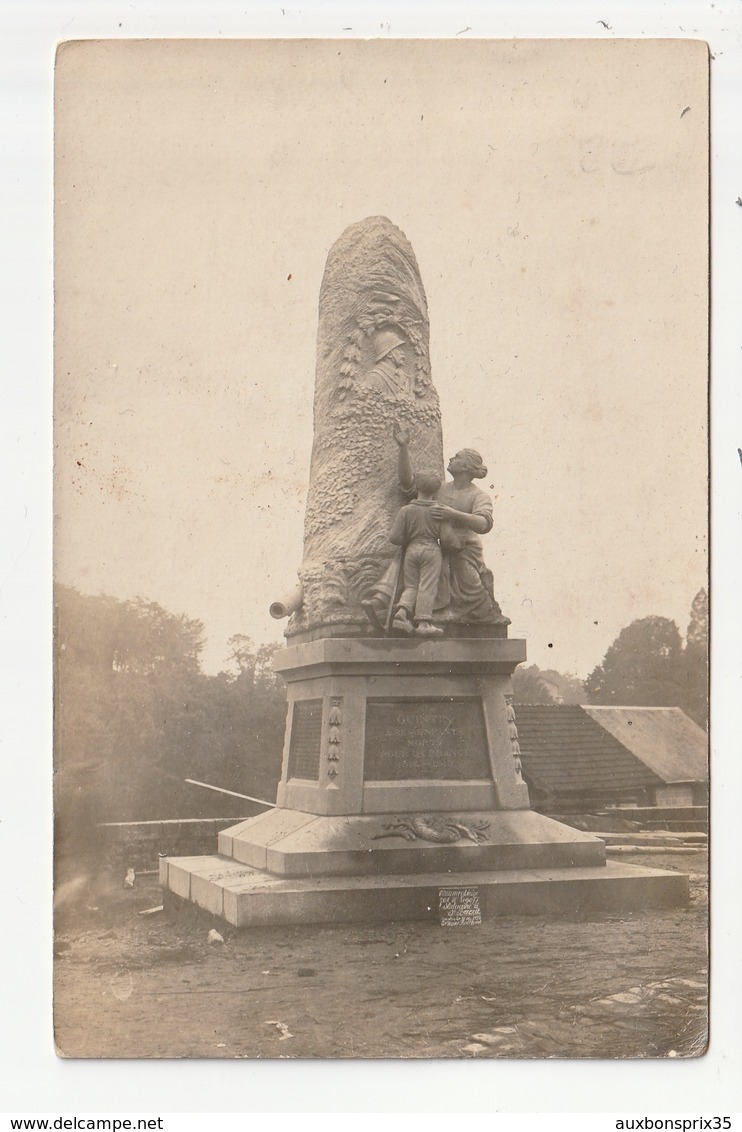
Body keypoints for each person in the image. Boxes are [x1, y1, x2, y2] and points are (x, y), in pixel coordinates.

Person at [363, 426, 508, 630]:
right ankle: (382, 598)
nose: (451, 459)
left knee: (473, 594)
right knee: (404, 555)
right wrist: (403, 447)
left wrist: (452, 515)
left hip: (463, 548)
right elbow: (408, 483)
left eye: (457, 457)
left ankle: (419, 612)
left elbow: (483, 524)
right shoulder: (439, 487)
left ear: (465, 466)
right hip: (437, 544)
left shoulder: (478, 496)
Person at [387, 471, 445, 635]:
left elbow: (394, 537)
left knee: (411, 585)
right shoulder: (440, 510)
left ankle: (402, 612)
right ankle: (423, 623)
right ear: (436, 490)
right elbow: (446, 538)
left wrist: (408, 538)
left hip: (411, 550)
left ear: (417, 487)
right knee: (427, 585)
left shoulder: (406, 510)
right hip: (432, 550)